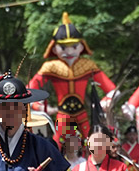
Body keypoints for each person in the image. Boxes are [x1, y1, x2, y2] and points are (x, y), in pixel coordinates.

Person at [28, 12, 119, 142]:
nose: (69, 52)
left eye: (74, 46)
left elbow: (112, 90)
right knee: (58, 144)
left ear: (81, 46)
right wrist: (38, 106)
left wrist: (104, 102)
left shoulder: (88, 65)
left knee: (90, 142)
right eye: (63, 47)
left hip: (82, 113)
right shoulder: (50, 66)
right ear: (54, 48)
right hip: (63, 114)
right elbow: (29, 90)